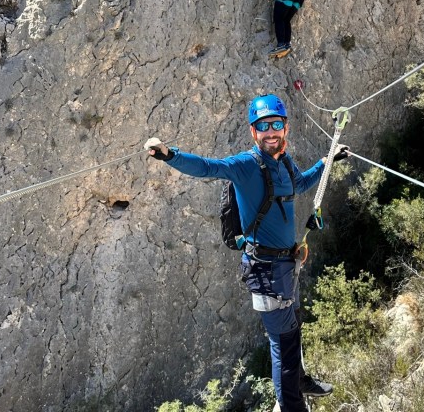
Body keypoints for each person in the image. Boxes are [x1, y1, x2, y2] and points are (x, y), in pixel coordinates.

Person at [145, 94, 347, 411]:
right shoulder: (245, 166)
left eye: (276, 124)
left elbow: (300, 186)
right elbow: (207, 167)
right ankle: (291, 404)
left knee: (292, 329)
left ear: (286, 128)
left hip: (286, 262)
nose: (270, 132)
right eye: (263, 126)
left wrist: (326, 163)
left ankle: (299, 381)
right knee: (284, 344)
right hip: (266, 270)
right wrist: (169, 155)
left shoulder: (284, 162)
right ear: (253, 132)